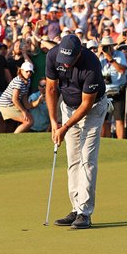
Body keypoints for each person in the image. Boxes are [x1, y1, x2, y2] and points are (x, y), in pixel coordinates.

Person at [46, 34, 109, 230]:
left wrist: (64, 127)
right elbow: (50, 89)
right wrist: (54, 122)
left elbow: (86, 104)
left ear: (79, 53)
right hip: (67, 108)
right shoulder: (52, 56)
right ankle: (75, 208)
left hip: (93, 109)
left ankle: (85, 213)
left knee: (87, 159)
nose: (65, 65)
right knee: (73, 159)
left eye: (70, 61)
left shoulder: (91, 64)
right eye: (63, 62)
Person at [0, 61, 34, 133]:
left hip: (11, 104)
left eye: (30, 72)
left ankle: (14, 138)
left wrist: (39, 101)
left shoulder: (28, 81)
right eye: (26, 71)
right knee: (28, 121)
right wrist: (24, 112)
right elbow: (14, 99)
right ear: (21, 71)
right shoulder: (19, 81)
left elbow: (25, 102)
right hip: (6, 105)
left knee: (28, 120)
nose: (29, 73)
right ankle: (15, 138)